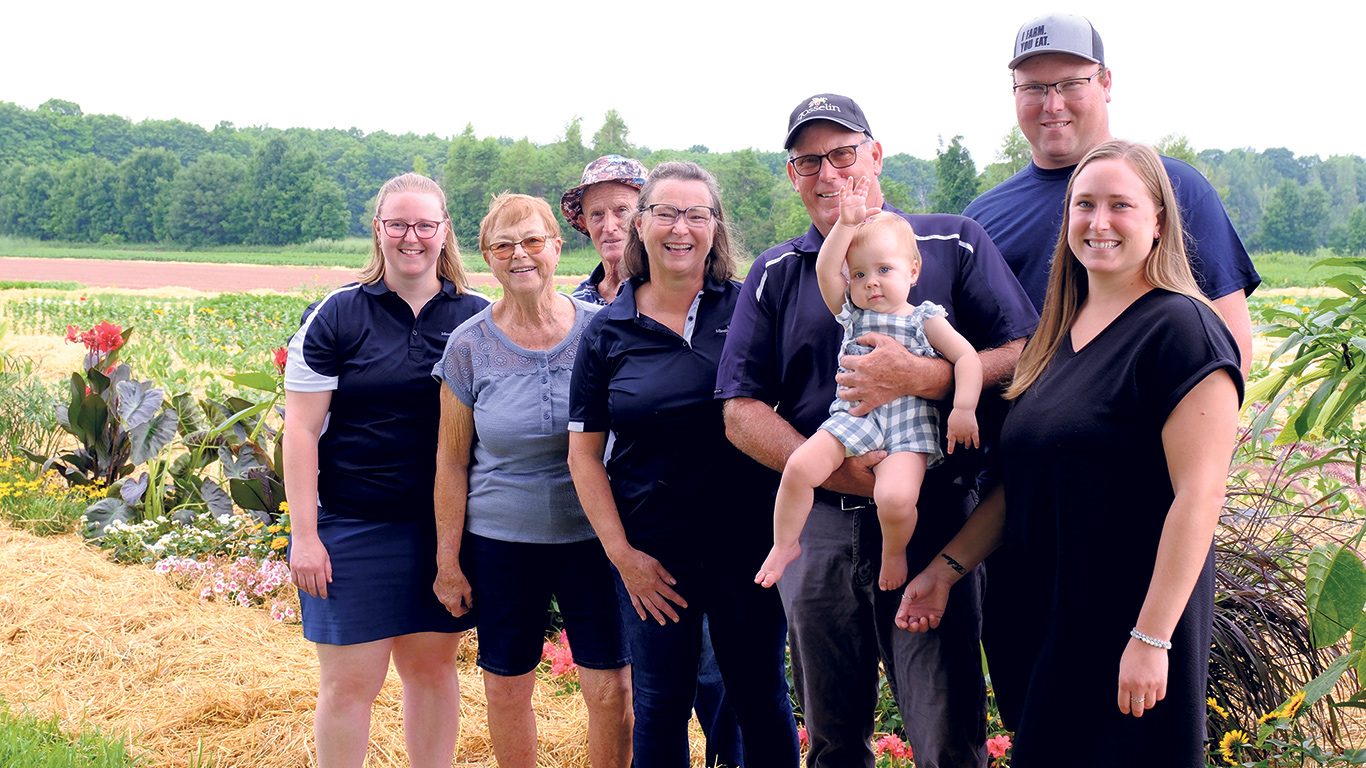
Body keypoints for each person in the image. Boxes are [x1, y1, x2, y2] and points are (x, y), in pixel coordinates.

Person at [718, 95, 1038, 768]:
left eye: (843, 154)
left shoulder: (950, 243)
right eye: (809, 161)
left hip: (932, 517)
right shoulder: (780, 270)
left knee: (948, 733)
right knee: (833, 738)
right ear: (793, 175)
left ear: (876, 154)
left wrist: (925, 379)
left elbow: (1026, 352)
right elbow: (740, 411)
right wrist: (838, 472)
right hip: (822, 528)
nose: (828, 173)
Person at [899, 140, 1242, 767]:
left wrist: (1151, 638)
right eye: (1083, 205)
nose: (1098, 222)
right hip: (1043, 623)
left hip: (1124, 630)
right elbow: (1024, 484)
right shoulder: (1058, 332)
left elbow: (1201, 495)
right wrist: (945, 570)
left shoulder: (1181, 331)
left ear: (1159, 221)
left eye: (1120, 205)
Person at [568, 161, 799, 768]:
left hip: (749, 549)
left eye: (697, 214)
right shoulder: (606, 332)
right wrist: (624, 557)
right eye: (666, 212)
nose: (680, 228)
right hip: (653, 557)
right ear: (642, 225)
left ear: (715, 228)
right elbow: (584, 457)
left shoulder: (751, 307)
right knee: (661, 704)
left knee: (760, 698)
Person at [284, 172, 489, 768]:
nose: (411, 237)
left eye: (425, 225)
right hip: (353, 525)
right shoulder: (338, 314)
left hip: (443, 533)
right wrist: (305, 535)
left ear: (443, 232)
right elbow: (299, 431)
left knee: (431, 672)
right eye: (398, 224)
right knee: (351, 683)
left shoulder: (477, 317)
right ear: (378, 230)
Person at [431, 193, 631, 768]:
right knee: (507, 683)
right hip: (501, 542)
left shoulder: (602, 331)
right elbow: (451, 460)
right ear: (487, 259)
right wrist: (449, 561)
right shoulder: (469, 345)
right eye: (503, 245)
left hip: (595, 538)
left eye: (532, 241)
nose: (520, 255)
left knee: (611, 687)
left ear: (556, 247)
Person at [962, 12, 1259, 378]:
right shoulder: (981, 218)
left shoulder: (1175, 187)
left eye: (1071, 83)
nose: (1052, 104)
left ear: (1106, 84)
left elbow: (1231, 347)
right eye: (1033, 87)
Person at [756, 175, 982, 592]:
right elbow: (826, 268)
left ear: (913, 271)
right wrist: (845, 223)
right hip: (853, 418)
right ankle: (784, 543)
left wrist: (963, 408)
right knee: (800, 466)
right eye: (858, 274)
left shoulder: (924, 318)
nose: (871, 282)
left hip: (908, 428)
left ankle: (894, 550)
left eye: (883, 270)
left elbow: (967, 358)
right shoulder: (852, 314)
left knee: (895, 499)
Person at [563, 154, 649, 306]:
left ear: (644, 218)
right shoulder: (577, 305)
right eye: (597, 214)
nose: (609, 227)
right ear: (584, 223)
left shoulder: (667, 295)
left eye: (622, 211)